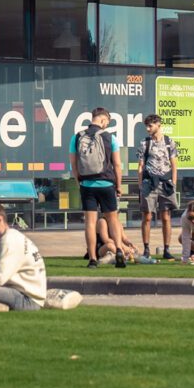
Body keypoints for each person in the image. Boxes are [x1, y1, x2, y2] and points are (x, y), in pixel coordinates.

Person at [70, 107, 124, 269]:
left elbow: (73, 163)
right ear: (103, 120)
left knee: (90, 223)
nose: (106, 125)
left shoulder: (77, 137)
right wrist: (119, 186)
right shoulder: (110, 138)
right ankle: (120, 250)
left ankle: (92, 259)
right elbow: (117, 165)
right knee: (113, 220)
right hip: (107, 184)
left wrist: (78, 180)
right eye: (107, 122)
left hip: (87, 185)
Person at [136, 114, 178, 260]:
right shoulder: (144, 143)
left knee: (166, 217)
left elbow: (174, 164)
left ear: (158, 125)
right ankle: (146, 249)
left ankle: (167, 249)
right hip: (149, 183)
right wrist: (140, 185)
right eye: (146, 126)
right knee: (146, 216)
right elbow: (140, 165)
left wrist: (173, 182)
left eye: (150, 126)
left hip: (165, 183)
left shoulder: (169, 142)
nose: (148, 129)